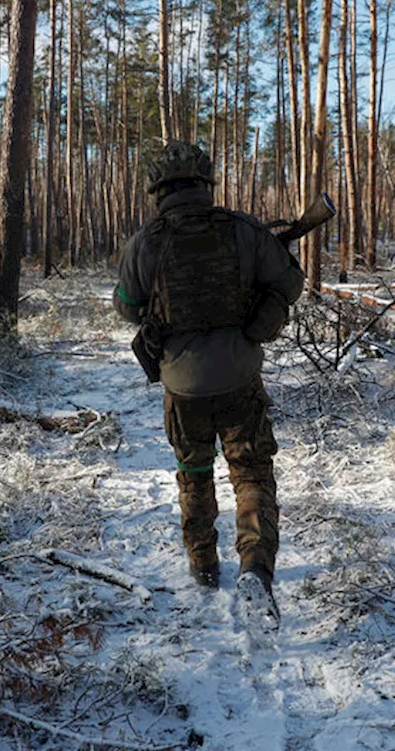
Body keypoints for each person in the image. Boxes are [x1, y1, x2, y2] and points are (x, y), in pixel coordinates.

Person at [114, 141, 304, 627]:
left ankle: (202, 566)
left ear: (157, 190)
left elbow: (127, 306)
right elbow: (288, 282)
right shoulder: (243, 230)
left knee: (193, 474)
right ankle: (255, 569)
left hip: (181, 386)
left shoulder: (144, 242)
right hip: (241, 378)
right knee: (252, 476)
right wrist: (259, 322)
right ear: (205, 182)